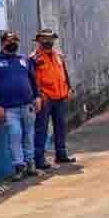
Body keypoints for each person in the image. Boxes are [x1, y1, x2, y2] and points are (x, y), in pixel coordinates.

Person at [0, 31, 42, 181]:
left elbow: (33, 80)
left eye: (16, 41)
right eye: (10, 41)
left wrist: (37, 97)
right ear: (3, 42)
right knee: (15, 136)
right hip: (9, 108)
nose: (13, 43)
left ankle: (30, 164)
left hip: (27, 105)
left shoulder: (24, 60)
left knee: (29, 135)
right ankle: (19, 167)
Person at [32, 28, 76, 168]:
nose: (48, 41)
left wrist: (69, 88)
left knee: (61, 127)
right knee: (42, 129)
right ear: (38, 40)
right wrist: (38, 95)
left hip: (61, 97)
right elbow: (32, 79)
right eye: (45, 39)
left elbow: (64, 73)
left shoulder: (58, 56)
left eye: (50, 39)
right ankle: (39, 160)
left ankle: (61, 155)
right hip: (46, 98)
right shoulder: (34, 58)